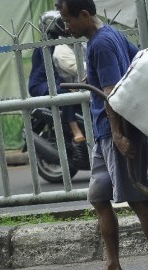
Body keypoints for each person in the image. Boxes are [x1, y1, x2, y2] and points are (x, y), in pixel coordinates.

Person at [57, 1, 148, 270]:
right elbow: (137, 63)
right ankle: (113, 265)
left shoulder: (101, 44)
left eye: (68, 20)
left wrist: (118, 134)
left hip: (118, 133)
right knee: (99, 198)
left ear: (85, 15)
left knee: (138, 199)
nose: (66, 27)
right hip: (105, 133)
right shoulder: (108, 35)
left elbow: (111, 93)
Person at [28, 10, 88, 163]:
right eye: (59, 23)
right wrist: (68, 87)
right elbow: (52, 73)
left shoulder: (60, 41)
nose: (64, 25)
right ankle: (75, 130)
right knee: (64, 93)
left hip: (54, 82)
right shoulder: (45, 45)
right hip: (40, 85)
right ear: (50, 26)